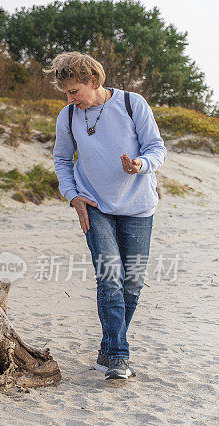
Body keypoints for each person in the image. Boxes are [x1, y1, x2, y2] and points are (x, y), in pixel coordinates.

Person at [45, 52, 167, 380]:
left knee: (133, 282)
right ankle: (118, 357)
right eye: (66, 94)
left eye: (75, 92)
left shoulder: (132, 104)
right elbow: (61, 159)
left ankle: (108, 346)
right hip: (95, 207)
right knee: (109, 277)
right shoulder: (68, 116)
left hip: (139, 206)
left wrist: (141, 164)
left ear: (94, 82)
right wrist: (73, 196)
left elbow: (157, 148)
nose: (70, 100)